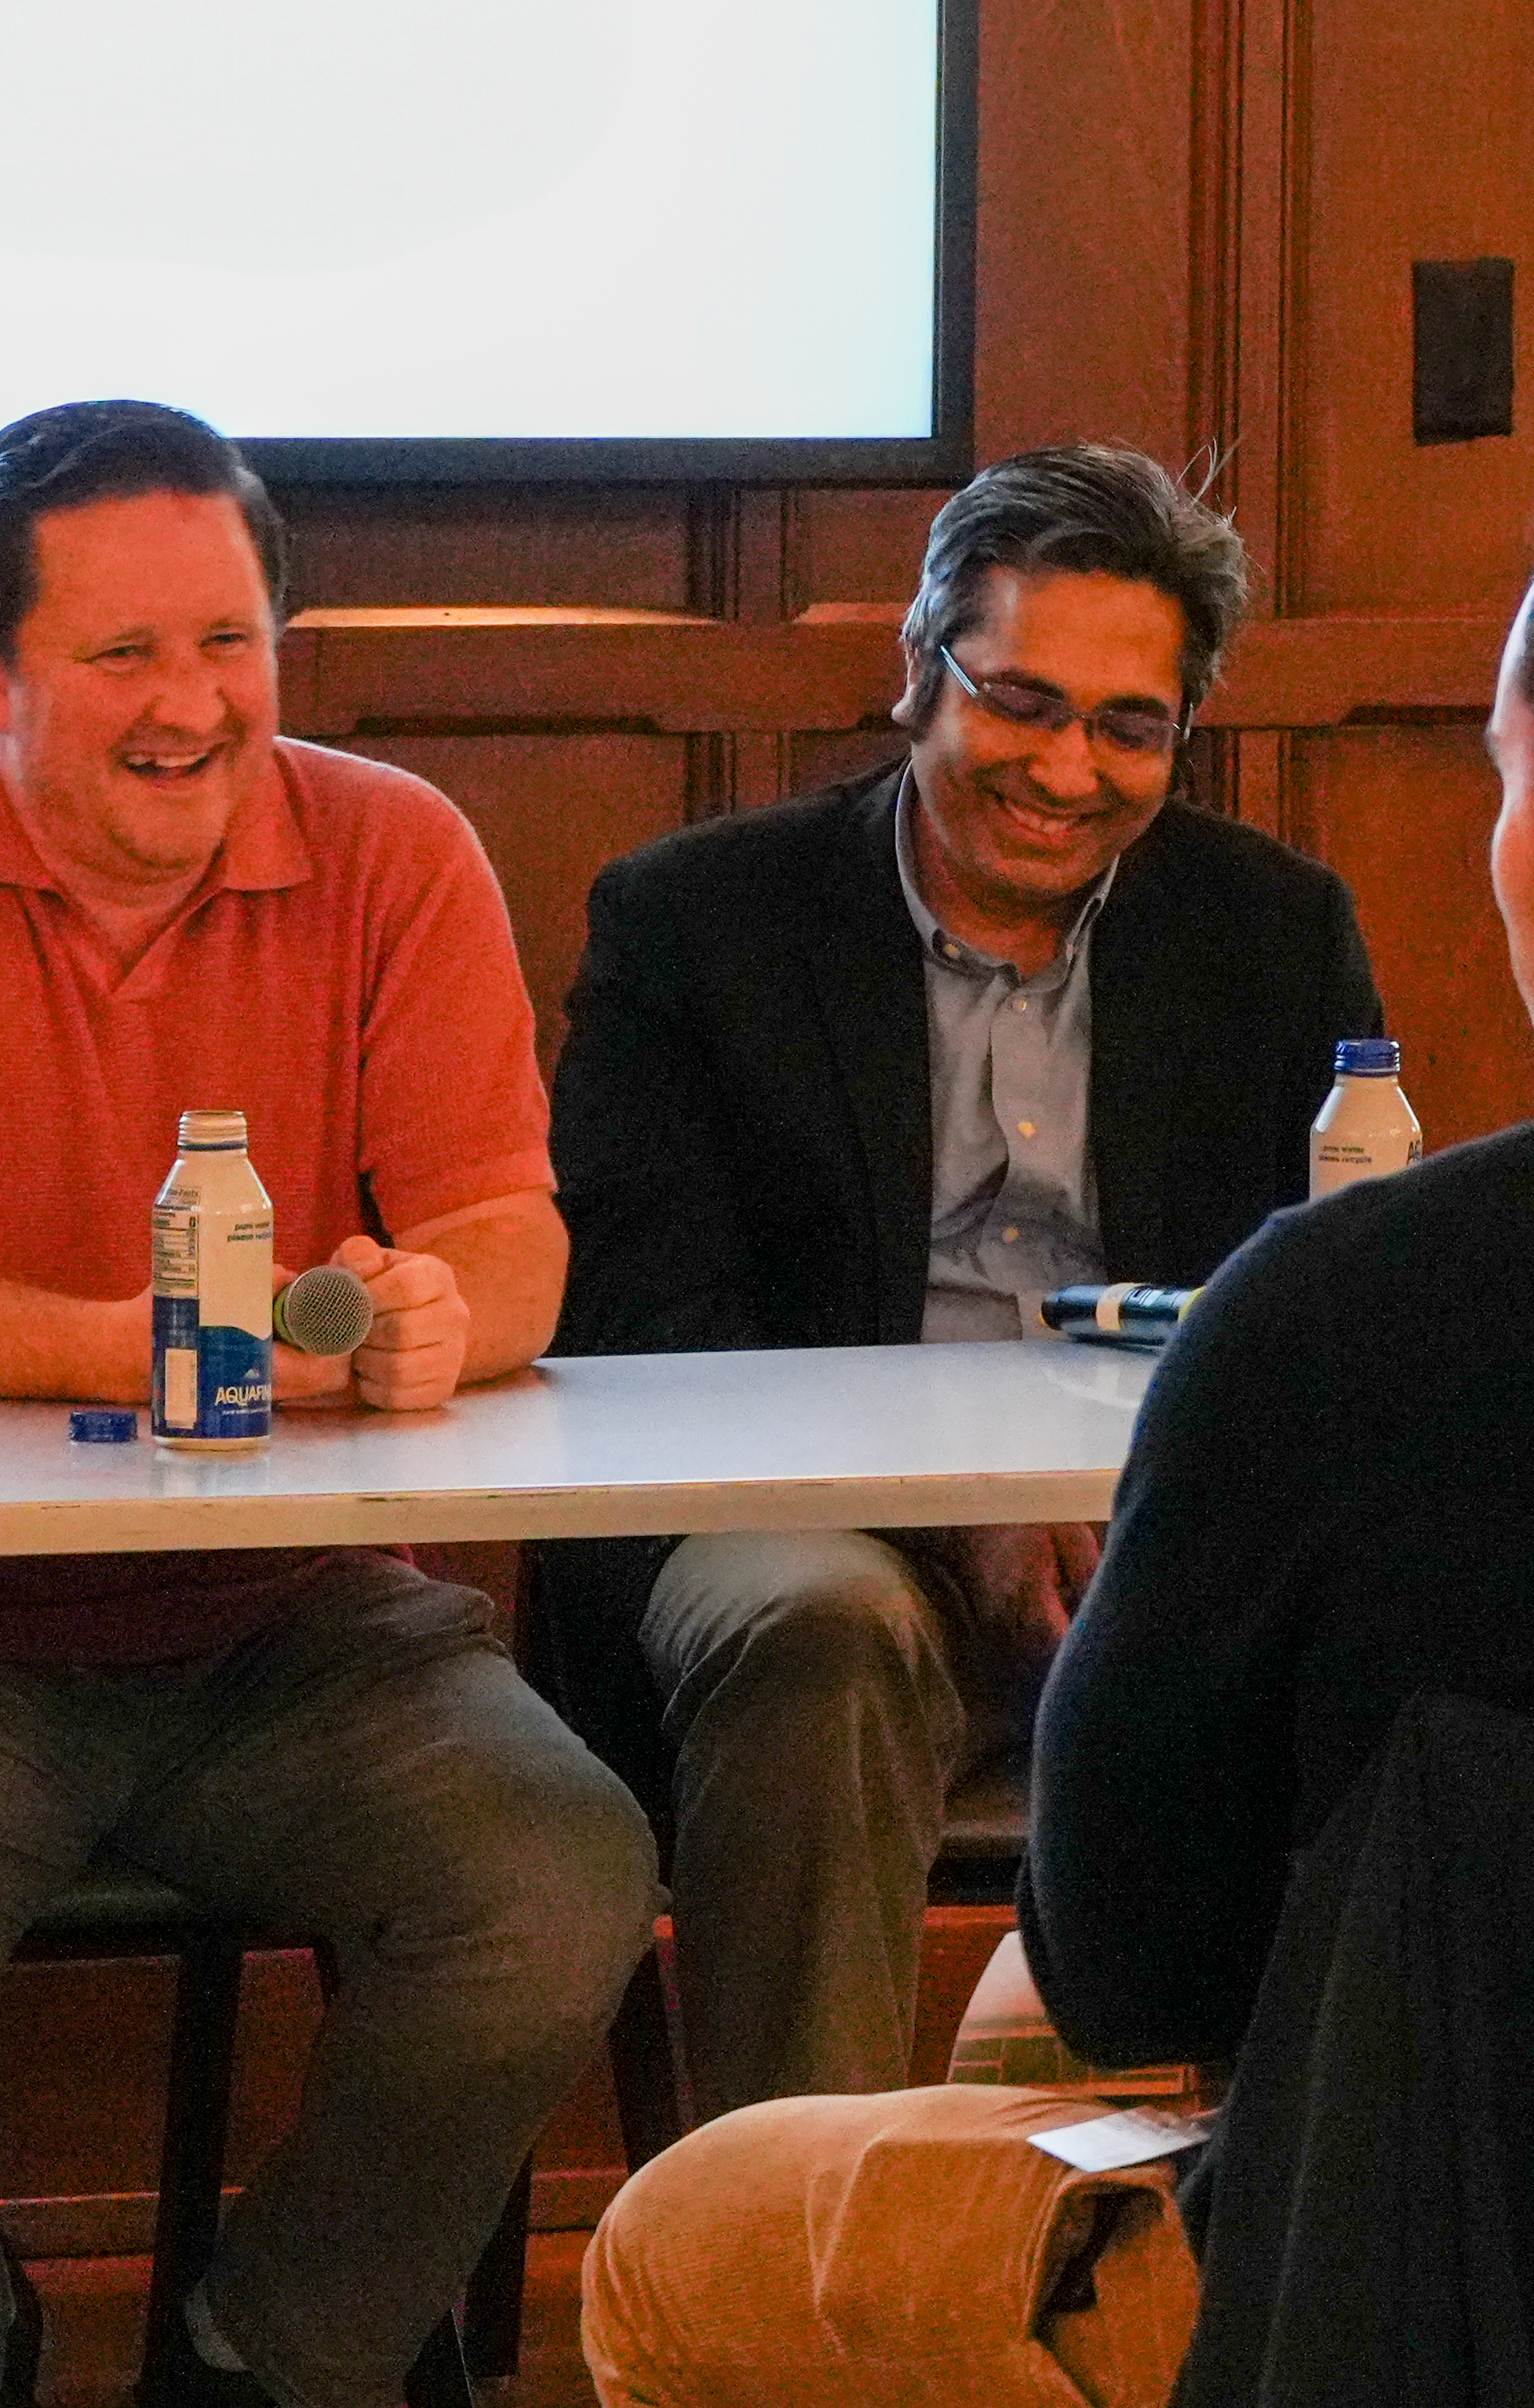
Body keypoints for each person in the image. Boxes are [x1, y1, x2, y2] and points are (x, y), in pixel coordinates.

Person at [578, 422, 1534, 2404]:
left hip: (1434, 2291)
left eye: (1497, 780)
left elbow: (1131, 1958)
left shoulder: (1347, 1313)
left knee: (684, 2242)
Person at [0, 399, 656, 2408]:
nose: (191, 705)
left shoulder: (396, 847)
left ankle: (256, 2367)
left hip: (291, 1612)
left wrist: (437, 1318)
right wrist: (155, 1340)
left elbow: (509, 1235)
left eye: (230, 641)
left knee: (561, 1880)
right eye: (123, 653)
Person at [543, 443, 1382, 2118]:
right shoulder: (697, 923)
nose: (1067, 769)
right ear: (918, 672)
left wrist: (1150, 1513)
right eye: (1021, 702)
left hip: (1152, 1538)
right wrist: (967, 1511)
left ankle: (1277, 2228)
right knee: (821, 1632)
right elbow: (651, 1336)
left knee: (1390, 1616)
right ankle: (804, 2240)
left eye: (1128, 726)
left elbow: (1323, 1311)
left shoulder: (1272, 934)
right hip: (807, 1527)